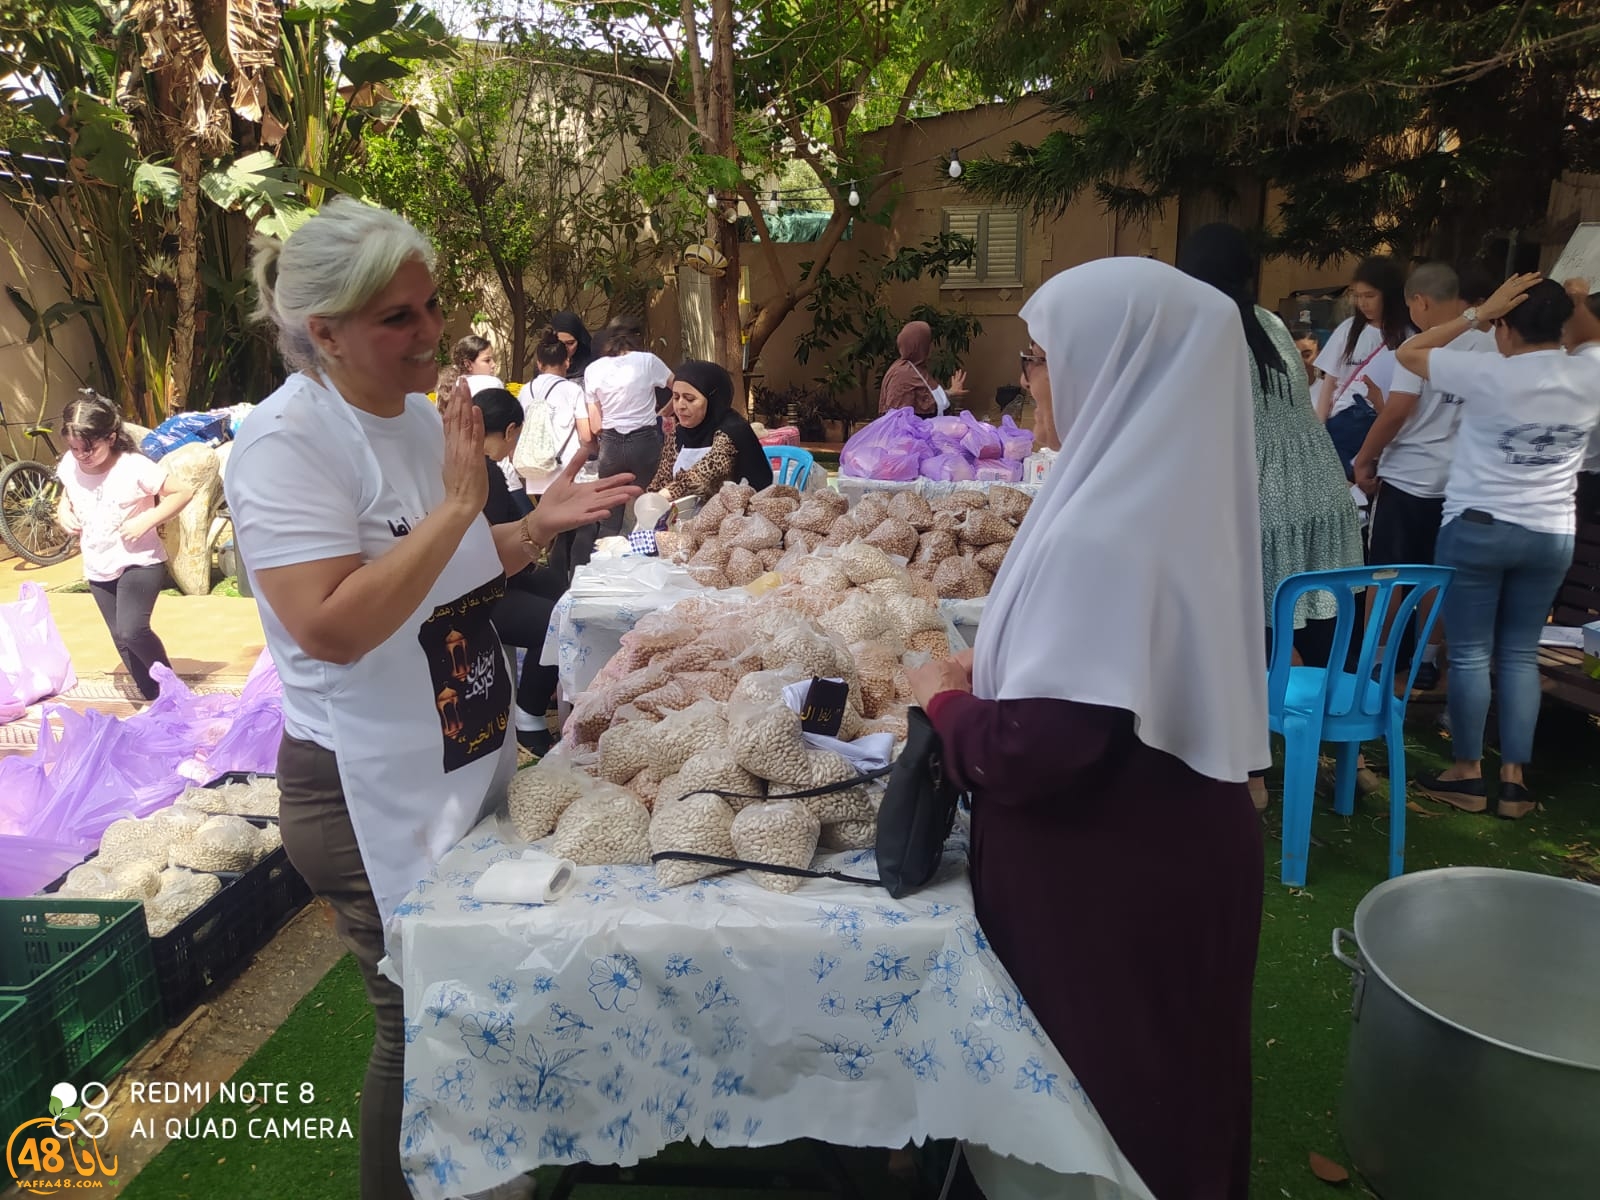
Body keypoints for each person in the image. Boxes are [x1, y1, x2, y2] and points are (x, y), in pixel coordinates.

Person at [225, 197, 639, 1200]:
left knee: (475, 992)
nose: (429, 335)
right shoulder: (287, 445)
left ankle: (490, 1171)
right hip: (364, 785)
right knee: (416, 1016)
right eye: (397, 319)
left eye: (429, 306)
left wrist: (532, 527)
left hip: (457, 744)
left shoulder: (417, 418)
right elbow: (331, 624)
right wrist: (461, 502)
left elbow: (444, 575)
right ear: (324, 332)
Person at [905, 257, 1267, 1200]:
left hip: (1114, 876)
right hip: (1167, 850)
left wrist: (948, 702)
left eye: (1037, 357)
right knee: (1169, 1089)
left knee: (1103, 1114)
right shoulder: (1161, 493)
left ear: (1112, 363)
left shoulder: (1109, 528)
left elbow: (1041, 746)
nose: (1026, 379)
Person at [1396, 274, 1600, 819]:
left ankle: (1466, 773)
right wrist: (1576, 302)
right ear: (1560, 323)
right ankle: (1514, 783)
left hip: (1478, 530)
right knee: (1518, 654)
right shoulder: (1591, 371)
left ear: (1503, 325)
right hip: (1552, 533)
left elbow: (1409, 350)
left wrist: (1475, 314)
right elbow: (1589, 336)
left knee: (1468, 655)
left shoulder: (1486, 369)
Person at [1177, 224, 1364, 812]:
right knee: (1316, 625)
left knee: (1246, 636)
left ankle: (1252, 775)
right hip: (1321, 490)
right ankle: (1348, 756)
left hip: (1265, 498)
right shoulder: (1272, 323)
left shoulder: (1201, 328)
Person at [1352, 263, 1496, 689]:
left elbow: (1398, 411)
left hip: (1407, 477)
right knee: (1438, 571)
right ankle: (1428, 659)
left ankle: (1379, 660)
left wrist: (1364, 459)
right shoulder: (1491, 347)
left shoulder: (1420, 346)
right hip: (1459, 481)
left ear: (1421, 301)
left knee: (1387, 573)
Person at [53, 392, 195, 701]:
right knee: (120, 637)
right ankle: (153, 698)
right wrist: (63, 511)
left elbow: (182, 492)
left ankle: (173, 692)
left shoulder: (134, 467)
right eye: (74, 449)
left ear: (112, 436)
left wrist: (147, 520)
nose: (81, 455)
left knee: (133, 630)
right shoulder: (69, 463)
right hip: (98, 563)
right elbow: (68, 492)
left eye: (89, 448)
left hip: (140, 561)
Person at [473, 387, 566, 756]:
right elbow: (494, 546)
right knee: (556, 619)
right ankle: (528, 718)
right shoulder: (484, 471)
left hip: (497, 574)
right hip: (477, 588)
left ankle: (541, 691)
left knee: (562, 590)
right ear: (511, 431)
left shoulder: (487, 470)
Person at [1315, 256, 1414, 477]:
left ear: (1389, 295)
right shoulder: (1348, 330)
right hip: (1342, 426)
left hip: (1383, 426)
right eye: (1357, 296)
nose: (1363, 303)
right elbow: (1329, 382)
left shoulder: (1409, 335)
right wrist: (1319, 430)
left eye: (1370, 296)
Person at [580, 316, 672, 546]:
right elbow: (680, 386)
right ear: (637, 339)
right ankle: (649, 559)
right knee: (652, 509)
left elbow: (595, 425)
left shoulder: (593, 369)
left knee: (610, 518)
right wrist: (666, 412)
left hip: (611, 446)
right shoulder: (649, 361)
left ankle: (604, 567)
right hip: (645, 443)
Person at [516, 328, 593, 578]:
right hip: (567, 470)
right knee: (581, 528)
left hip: (535, 472)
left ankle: (554, 583)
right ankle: (575, 579)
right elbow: (586, 435)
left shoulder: (524, 391)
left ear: (539, 363)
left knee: (552, 532)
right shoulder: (572, 390)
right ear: (567, 361)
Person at [647, 359, 774, 503]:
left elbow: (705, 473)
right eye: (676, 397)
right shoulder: (678, 433)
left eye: (689, 398)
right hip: (690, 513)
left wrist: (663, 496)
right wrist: (651, 496)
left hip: (739, 514)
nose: (680, 406)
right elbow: (663, 477)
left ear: (712, 399)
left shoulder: (733, 431)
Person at [877, 320, 968, 416]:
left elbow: (926, 400)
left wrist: (951, 393)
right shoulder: (902, 374)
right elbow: (899, 419)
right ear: (919, 345)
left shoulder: (916, 369)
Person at [549, 310, 594, 380]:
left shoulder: (594, 366)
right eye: (559, 343)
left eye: (570, 343)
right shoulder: (544, 363)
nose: (564, 348)